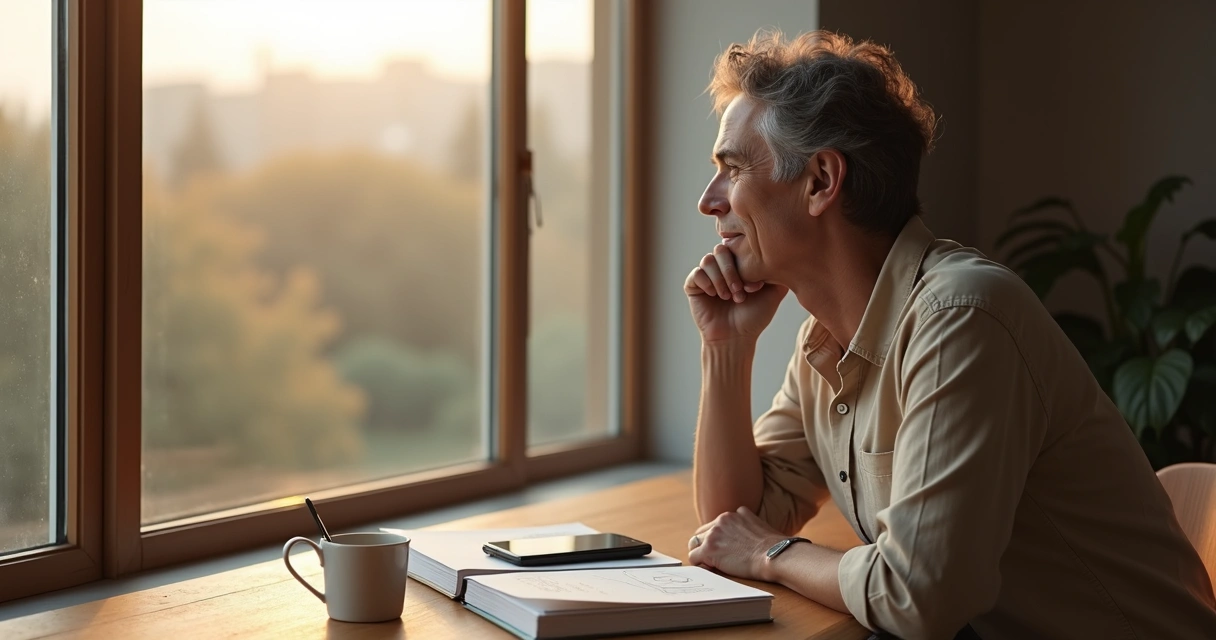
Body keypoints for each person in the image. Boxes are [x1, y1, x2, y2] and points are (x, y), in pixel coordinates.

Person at [684, 29, 1216, 640]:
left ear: (821, 181)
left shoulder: (961, 318)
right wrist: (726, 347)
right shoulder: (825, 344)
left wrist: (770, 553)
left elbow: (917, 598)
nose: (707, 201)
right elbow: (729, 527)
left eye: (732, 169)